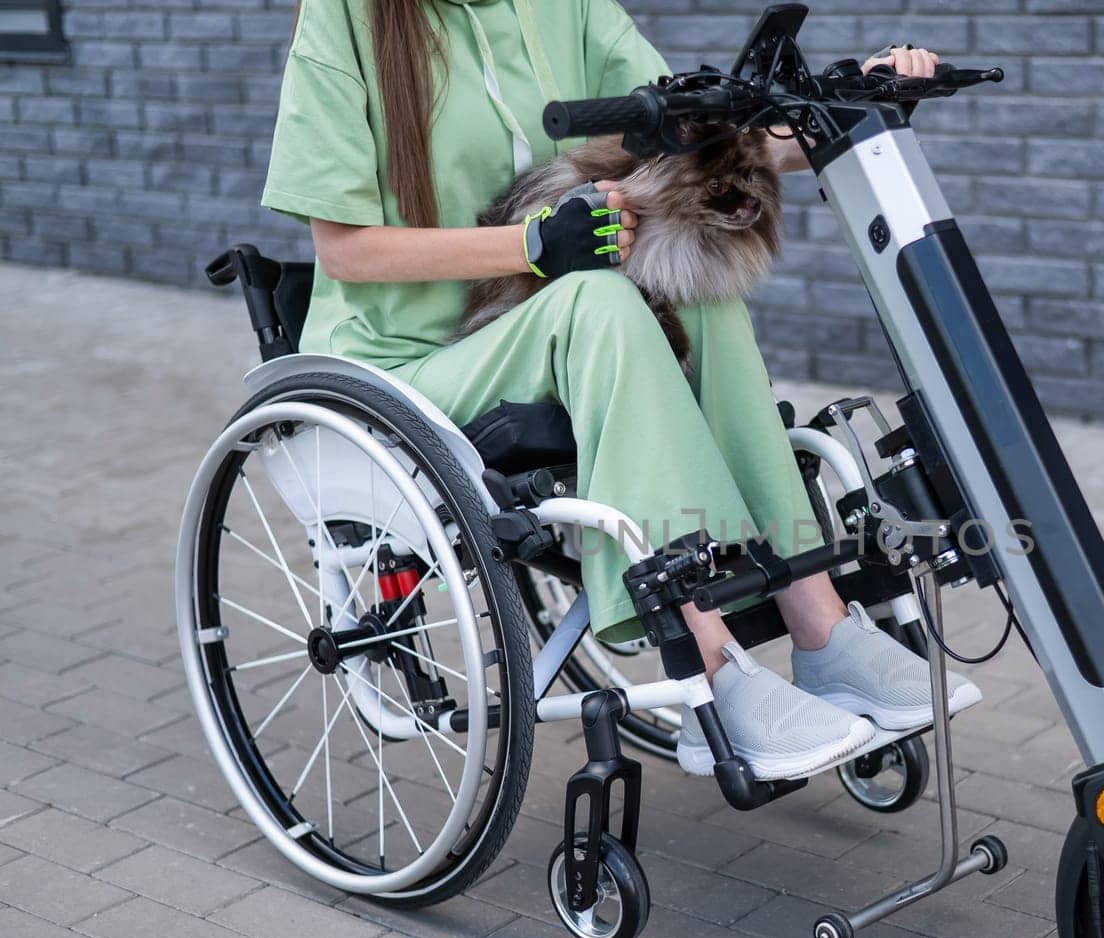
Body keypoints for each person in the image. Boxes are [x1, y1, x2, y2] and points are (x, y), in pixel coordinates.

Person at [263, 0, 978, 780]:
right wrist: (532, 244)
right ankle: (708, 669)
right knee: (600, 298)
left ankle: (821, 625)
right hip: (404, 360)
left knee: (701, 285)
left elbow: (692, 140)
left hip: (535, 324)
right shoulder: (348, 17)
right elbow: (344, 252)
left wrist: (846, 100)